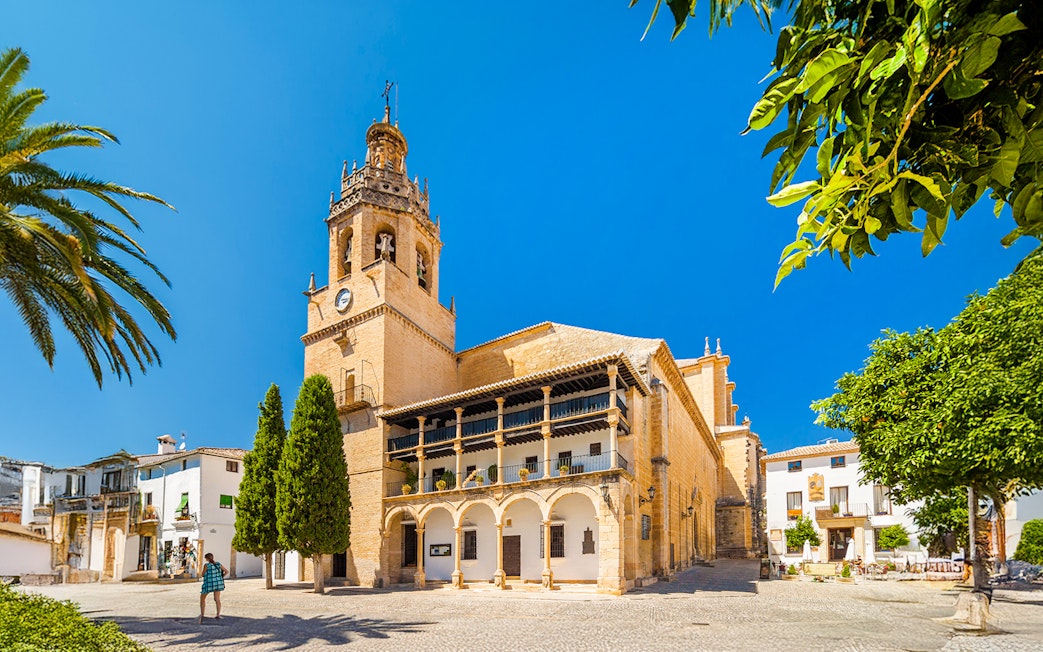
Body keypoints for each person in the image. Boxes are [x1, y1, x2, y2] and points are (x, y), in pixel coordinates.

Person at [199, 552, 227, 623]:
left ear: (207, 559)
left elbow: (203, 574)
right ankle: (218, 614)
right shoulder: (218, 564)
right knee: (217, 599)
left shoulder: (206, 565)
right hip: (218, 584)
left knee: (202, 599)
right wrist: (220, 577)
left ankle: (202, 615)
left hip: (209, 584)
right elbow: (226, 571)